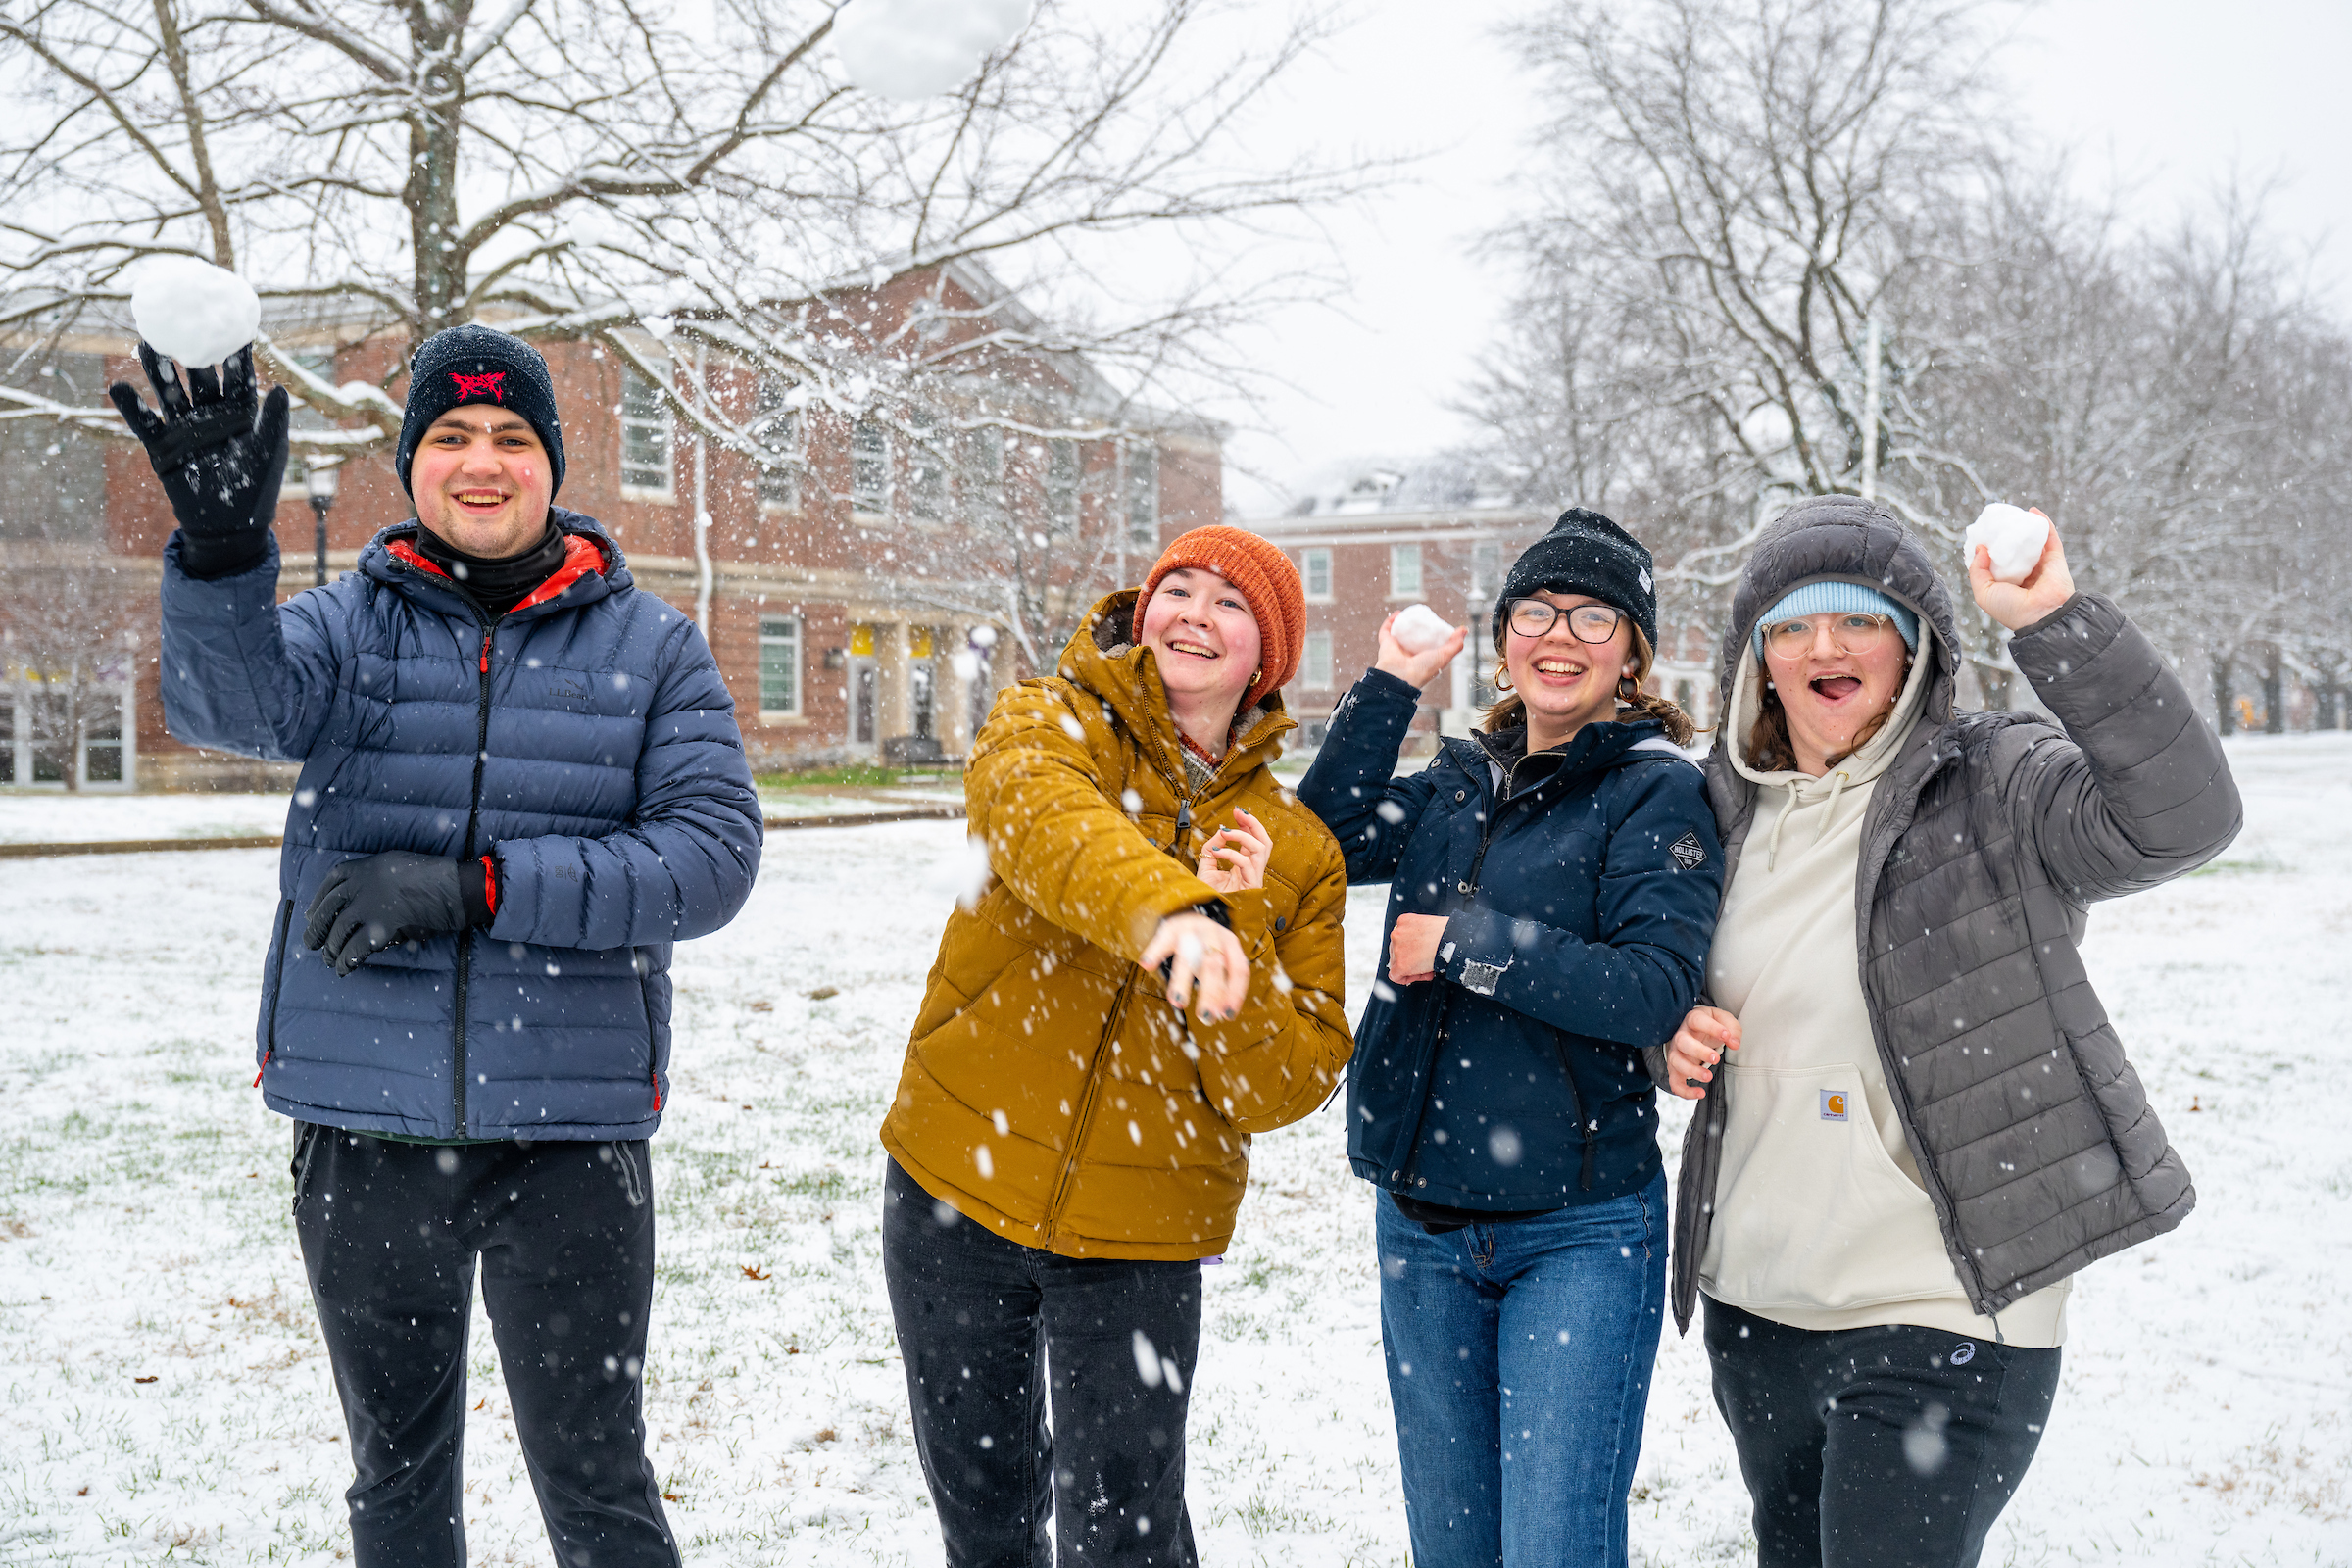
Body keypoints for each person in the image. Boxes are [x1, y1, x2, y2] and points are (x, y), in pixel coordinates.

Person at [111, 326, 763, 1567]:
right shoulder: (343, 632)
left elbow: (710, 859)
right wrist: (222, 559)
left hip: (570, 1139)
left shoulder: (653, 649)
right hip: (366, 1135)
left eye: (512, 439)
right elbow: (225, 708)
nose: (482, 463)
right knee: (397, 1480)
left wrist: (480, 888)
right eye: (451, 437)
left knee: (599, 1482)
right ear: (410, 463)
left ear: (552, 466)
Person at [1659, 495, 2241, 1568]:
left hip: (1947, 1311)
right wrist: (1672, 1036)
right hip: (1761, 1309)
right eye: (1789, 625)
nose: (1823, 646)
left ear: (1915, 644)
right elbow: (1681, 983)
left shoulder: (1994, 781)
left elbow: (2185, 818)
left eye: (1857, 618)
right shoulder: (1719, 814)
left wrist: (2055, 621)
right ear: (1758, 661)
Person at [878, 525, 1352, 1567]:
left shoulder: (1299, 850)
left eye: (1230, 601)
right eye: (1176, 588)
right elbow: (1045, 821)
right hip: (957, 1178)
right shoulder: (1050, 724)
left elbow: (1285, 1084)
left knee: (1125, 1537)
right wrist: (1169, 909)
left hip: (1143, 1229)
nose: (1194, 610)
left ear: (1266, 652)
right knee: (985, 1523)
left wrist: (1245, 913)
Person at [1297, 508, 1723, 1568]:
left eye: (1593, 615)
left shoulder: (1654, 789)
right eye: (1537, 609)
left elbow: (1652, 987)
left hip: (1578, 1229)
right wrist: (1390, 683)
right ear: (1503, 639)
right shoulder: (1457, 779)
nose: (1560, 634)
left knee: (1553, 1549)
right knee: (1453, 1548)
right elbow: (1319, 842)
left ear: (1632, 651)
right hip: (1423, 1221)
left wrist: (1468, 943)